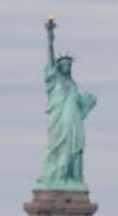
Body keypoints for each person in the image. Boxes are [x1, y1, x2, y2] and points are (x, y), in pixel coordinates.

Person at [38, 17, 96, 186]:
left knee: (76, 146)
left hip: (74, 121)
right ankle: (58, 176)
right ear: (58, 67)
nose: (67, 67)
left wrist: (88, 103)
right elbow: (50, 58)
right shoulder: (54, 80)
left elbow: (81, 106)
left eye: (69, 65)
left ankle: (73, 177)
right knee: (59, 147)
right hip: (59, 120)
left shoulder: (73, 84)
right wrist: (50, 37)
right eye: (64, 64)